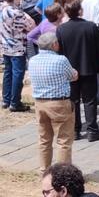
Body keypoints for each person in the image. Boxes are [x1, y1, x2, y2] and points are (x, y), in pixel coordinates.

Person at [56, 0, 99, 142]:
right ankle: (92, 130)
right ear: (80, 10)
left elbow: (59, 52)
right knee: (90, 100)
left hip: (70, 71)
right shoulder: (91, 26)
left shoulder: (61, 29)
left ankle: (75, 130)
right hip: (89, 68)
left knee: (73, 101)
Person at [30, 33, 78, 171]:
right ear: (54, 45)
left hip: (40, 103)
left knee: (44, 139)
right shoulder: (61, 60)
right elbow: (73, 76)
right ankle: (62, 174)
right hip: (59, 103)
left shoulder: (33, 60)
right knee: (64, 141)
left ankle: (44, 171)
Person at [1, 0, 36, 111]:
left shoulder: (2, 9)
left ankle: (6, 100)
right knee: (17, 74)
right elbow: (29, 27)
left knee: (8, 73)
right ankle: (15, 103)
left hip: (5, 45)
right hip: (17, 47)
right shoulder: (17, 13)